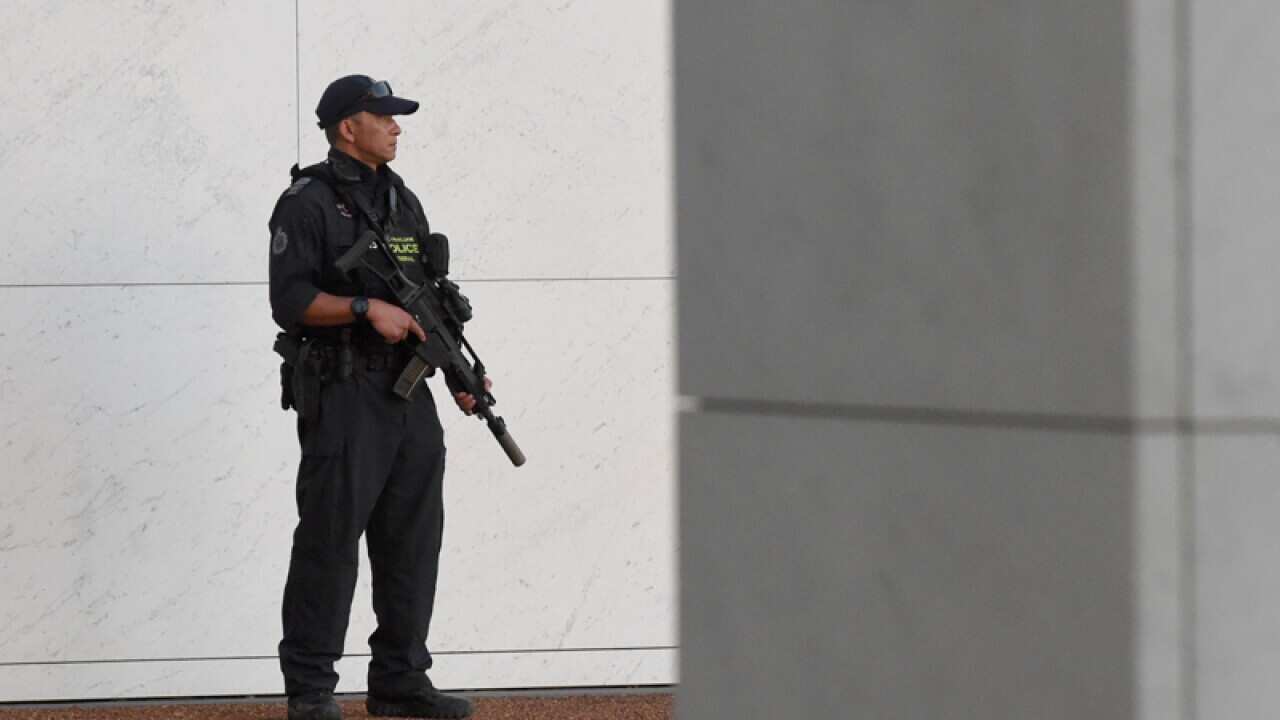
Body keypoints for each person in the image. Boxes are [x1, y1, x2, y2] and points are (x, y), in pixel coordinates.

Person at [268, 75, 480, 720]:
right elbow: (290, 300)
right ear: (346, 127)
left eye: (395, 117)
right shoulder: (306, 202)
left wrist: (460, 373)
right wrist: (363, 308)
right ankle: (310, 689)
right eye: (382, 116)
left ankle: (400, 681)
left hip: (408, 394)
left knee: (412, 541)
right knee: (330, 540)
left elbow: (429, 298)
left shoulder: (401, 200)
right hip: (345, 390)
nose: (395, 126)